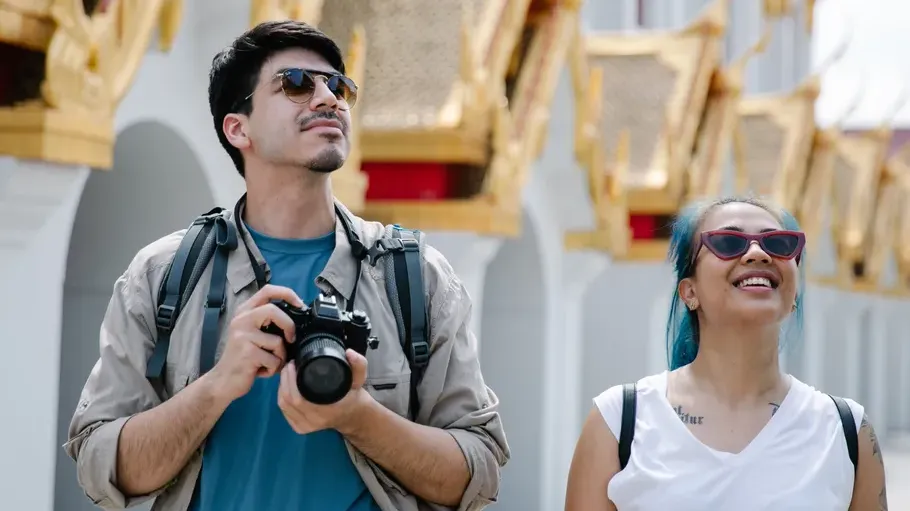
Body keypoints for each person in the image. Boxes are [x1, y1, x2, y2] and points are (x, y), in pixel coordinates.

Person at [65, 20, 509, 511]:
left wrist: (358, 416)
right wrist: (218, 383)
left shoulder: (414, 277)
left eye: (339, 86)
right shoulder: (163, 276)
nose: (328, 99)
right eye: (296, 84)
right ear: (239, 128)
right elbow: (101, 467)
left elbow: (479, 471)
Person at [564, 196, 888, 510]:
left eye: (779, 243)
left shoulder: (847, 432)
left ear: (794, 296)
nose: (759, 253)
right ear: (689, 292)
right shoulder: (620, 422)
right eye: (728, 242)